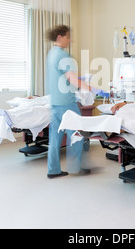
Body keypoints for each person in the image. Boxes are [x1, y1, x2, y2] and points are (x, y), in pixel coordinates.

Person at [46, 25, 92, 179]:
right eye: (67, 36)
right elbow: (71, 79)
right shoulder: (63, 55)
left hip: (55, 103)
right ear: (59, 37)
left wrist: (80, 80)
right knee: (77, 135)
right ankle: (76, 167)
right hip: (66, 103)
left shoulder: (51, 53)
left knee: (55, 138)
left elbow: (64, 75)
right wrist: (89, 87)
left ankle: (53, 170)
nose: (70, 39)